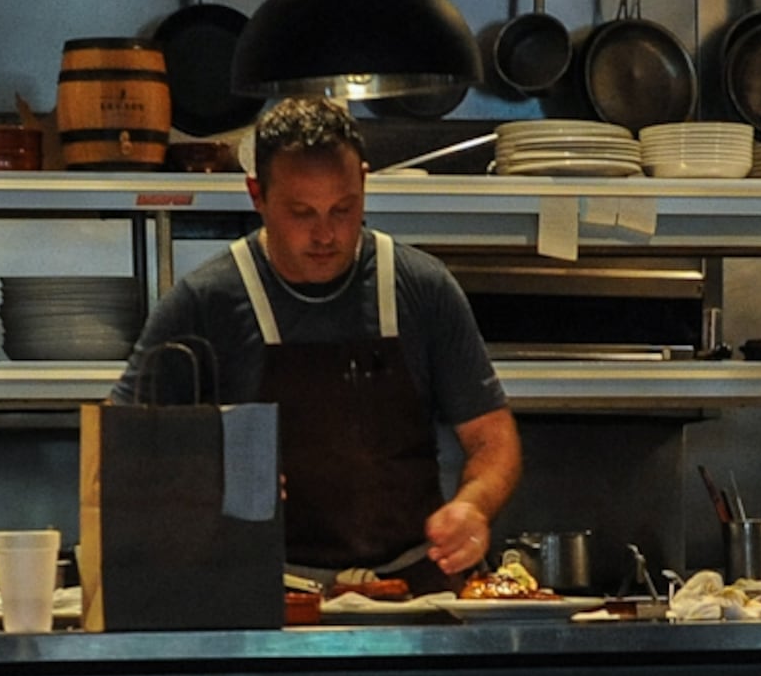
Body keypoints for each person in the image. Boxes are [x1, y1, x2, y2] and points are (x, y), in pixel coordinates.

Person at [121, 94, 520, 588]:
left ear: (365, 184)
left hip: (414, 592)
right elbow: (122, 448)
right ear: (257, 196)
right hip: (266, 595)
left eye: (343, 209)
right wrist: (204, 476)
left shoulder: (422, 288)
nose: (326, 233)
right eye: (302, 212)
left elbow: (492, 439)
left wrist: (472, 506)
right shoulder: (205, 302)